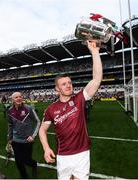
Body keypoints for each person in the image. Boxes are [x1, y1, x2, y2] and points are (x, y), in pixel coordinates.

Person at [39, 40, 103, 180]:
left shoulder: (79, 98)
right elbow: (42, 130)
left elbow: (96, 79)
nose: (68, 85)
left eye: (69, 82)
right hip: (63, 155)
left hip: (82, 153)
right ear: (57, 89)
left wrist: (95, 52)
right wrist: (46, 148)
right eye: (63, 84)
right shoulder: (51, 109)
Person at [7, 92, 40, 179]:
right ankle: (24, 177)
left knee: (26, 160)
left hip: (27, 140)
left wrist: (33, 135)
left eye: (20, 96)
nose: (18, 98)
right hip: (16, 140)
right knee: (18, 162)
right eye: (16, 97)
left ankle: (34, 164)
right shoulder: (10, 111)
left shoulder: (28, 108)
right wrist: (9, 138)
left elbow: (37, 121)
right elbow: (10, 125)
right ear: (12, 100)